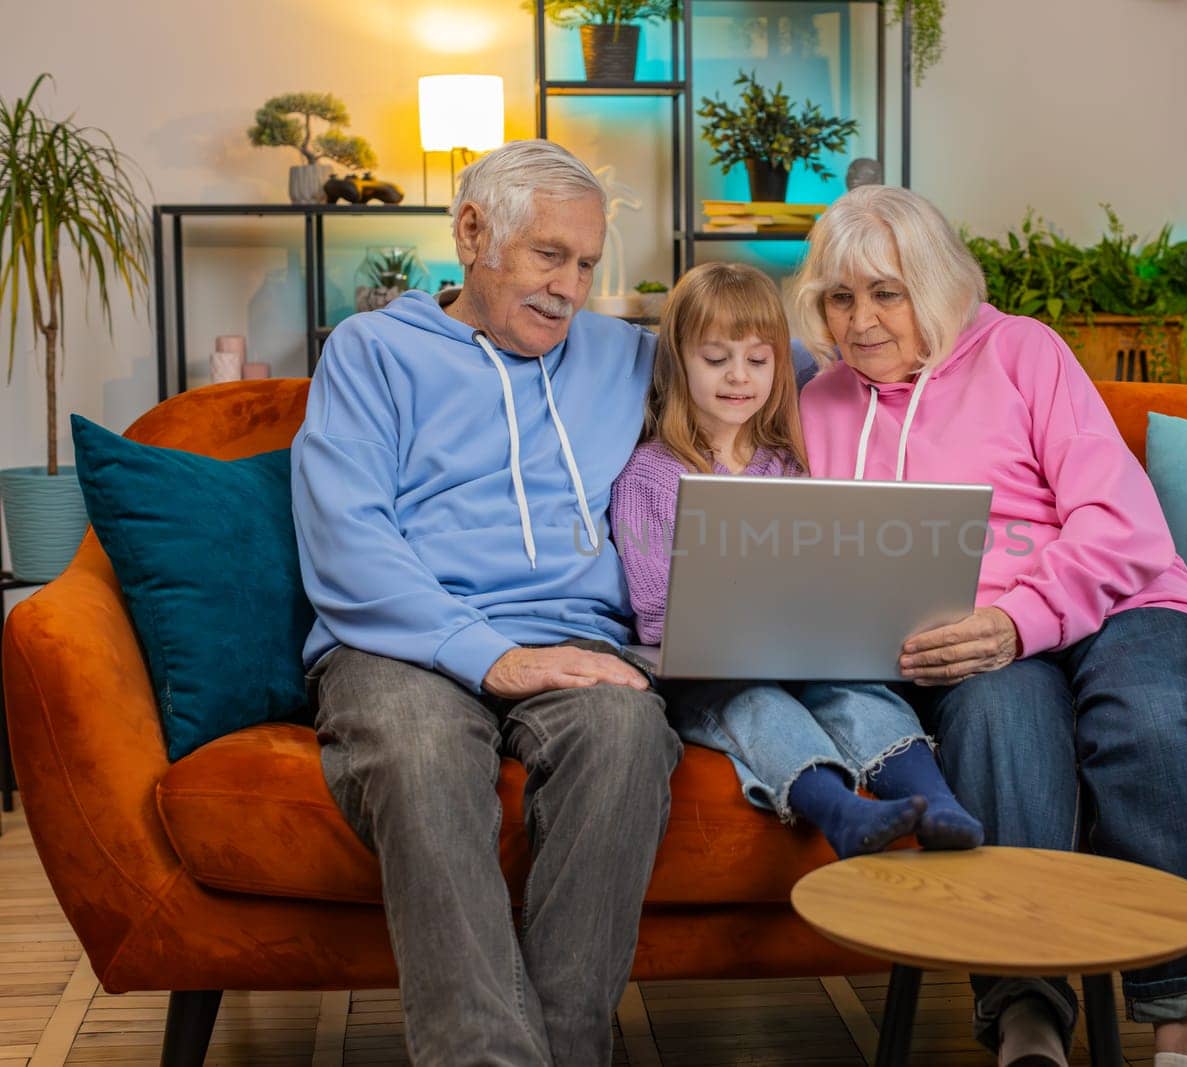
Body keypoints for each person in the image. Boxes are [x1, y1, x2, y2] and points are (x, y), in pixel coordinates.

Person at [794, 185, 1187, 1067]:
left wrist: (1017, 617)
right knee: (1000, 721)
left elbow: (1125, 527)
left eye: (887, 292)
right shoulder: (819, 403)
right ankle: (1027, 1014)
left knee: (1146, 720)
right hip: (974, 646)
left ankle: (1185, 1025)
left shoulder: (1022, 350)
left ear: (937, 284)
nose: (862, 320)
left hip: (1124, 602)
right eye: (840, 298)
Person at [291, 140, 683, 1066]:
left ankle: (568, 1049)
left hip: (576, 636)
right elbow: (346, 538)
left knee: (626, 735)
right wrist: (488, 655)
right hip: (398, 641)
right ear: (472, 232)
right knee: (419, 747)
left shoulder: (622, 355)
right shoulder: (371, 352)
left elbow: (777, 358)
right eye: (550, 255)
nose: (569, 288)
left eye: (587, 265)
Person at [611, 262, 984, 859]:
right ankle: (838, 813)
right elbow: (656, 614)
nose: (739, 377)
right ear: (679, 361)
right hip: (704, 675)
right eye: (716, 359)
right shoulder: (647, 475)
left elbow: (824, 573)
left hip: (798, 651)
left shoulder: (790, 465)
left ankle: (936, 805)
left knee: (855, 691)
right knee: (757, 702)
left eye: (758, 361)